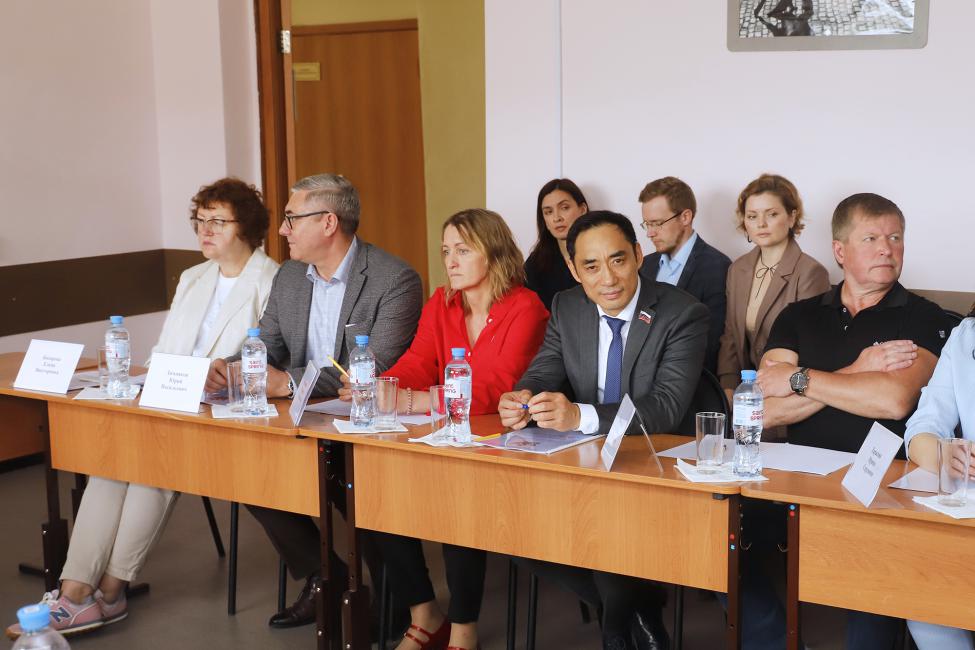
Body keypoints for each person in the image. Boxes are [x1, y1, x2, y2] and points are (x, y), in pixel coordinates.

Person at [6, 178, 279, 639]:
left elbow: (269, 357)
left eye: (218, 221)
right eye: (200, 220)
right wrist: (144, 382)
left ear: (247, 226)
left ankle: (111, 593)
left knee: (153, 463)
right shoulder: (194, 278)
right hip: (169, 398)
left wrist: (209, 380)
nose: (205, 230)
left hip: (223, 410)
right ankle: (75, 592)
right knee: (112, 462)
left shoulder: (272, 280)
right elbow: (162, 351)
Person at [204, 173, 423, 631]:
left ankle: (395, 605)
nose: (283, 230)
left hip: (364, 422)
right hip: (300, 419)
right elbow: (266, 345)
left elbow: (372, 367)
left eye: (291, 219)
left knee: (357, 482)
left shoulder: (394, 279)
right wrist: (229, 368)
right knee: (248, 469)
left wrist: (287, 382)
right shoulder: (289, 276)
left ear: (328, 222)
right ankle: (326, 576)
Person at [750, 192, 955, 649]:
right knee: (719, 542)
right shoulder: (799, 315)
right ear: (839, 251)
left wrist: (800, 380)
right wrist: (857, 370)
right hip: (798, 480)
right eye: (872, 238)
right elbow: (763, 410)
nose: (887, 249)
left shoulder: (923, 317)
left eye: (895, 238)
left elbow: (894, 400)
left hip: (880, 487)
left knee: (871, 580)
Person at [339, 208, 548, 650]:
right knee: (380, 493)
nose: (451, 261)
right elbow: (418, 361)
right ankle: (424, 613)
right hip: (446, 436)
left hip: (501, 441)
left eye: (463, 250)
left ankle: (463, 629)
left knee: (458, 503)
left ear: (493, 253)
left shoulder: (526, 307)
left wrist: (419, 400)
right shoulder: (442, 302)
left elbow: (500, 386)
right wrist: (382, 387)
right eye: (446, 251)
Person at [500, 210, 709, 650]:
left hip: (654, 463)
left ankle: (616, 632)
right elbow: (545, 367)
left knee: (605, 527)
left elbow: (666, 407)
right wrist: (523, 395)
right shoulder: (568, 305)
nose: (608, 279)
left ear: (638, 255)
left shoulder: (682, 313)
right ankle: (639, 609)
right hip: (587, 461)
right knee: (511, 524)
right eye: (591, 266)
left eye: (618, 260)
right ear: (575, 270)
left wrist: (580, 417)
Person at [716, 174, 830, 405]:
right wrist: (728, 386)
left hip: (788, 395)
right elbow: (730, 336)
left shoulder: (811, 272)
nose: (761, 224)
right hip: (744, 392)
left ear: (792, 217)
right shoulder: (737, 269)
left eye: (772, 214)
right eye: (752, 216)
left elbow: (812, 351)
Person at [902, 306, 975, 650]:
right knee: (923, 602)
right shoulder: (965, 336)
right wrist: (945, 455)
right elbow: (923, 426)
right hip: (967, 521)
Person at [638, 176, 730, 373]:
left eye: (657, 223)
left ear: (685, 217)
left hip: (691, 378)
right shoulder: (645, 265)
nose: (650, 233)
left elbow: (712, 342)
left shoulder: (717, 267)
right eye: (647, 224)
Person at [524, 178, 588, 310]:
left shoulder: (602, 251)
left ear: (582, 210)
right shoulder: (535, 265)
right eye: (548, 212)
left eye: (564, 208)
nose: (557, 218)